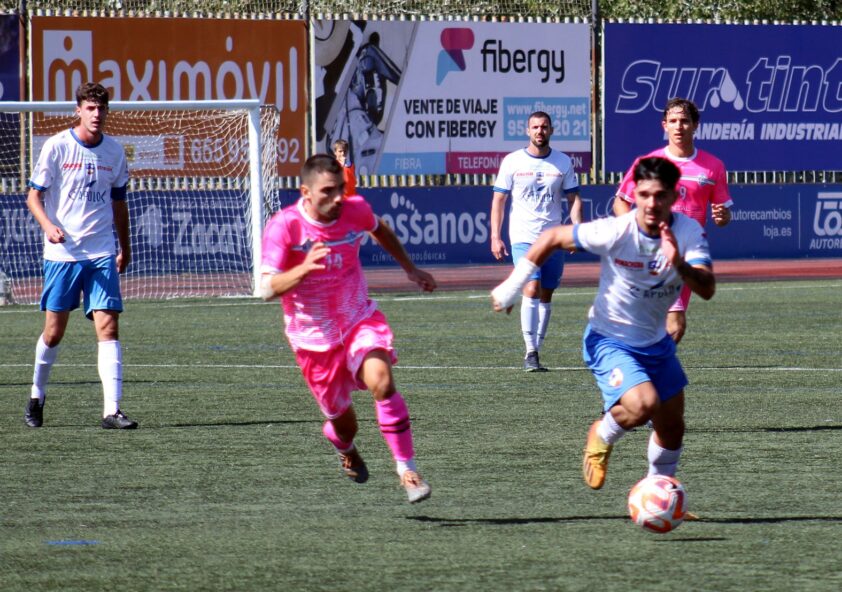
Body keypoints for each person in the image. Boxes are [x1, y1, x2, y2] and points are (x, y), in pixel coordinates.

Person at [492, 157, 715, 496]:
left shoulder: (687, 232)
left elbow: (707, 289)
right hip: (609, 340)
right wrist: (511, 287)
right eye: (643, 195)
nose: (651, 203)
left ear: (674, 196)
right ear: (634, 195)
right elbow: (552, 236)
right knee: (643, 404)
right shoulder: (617, 230)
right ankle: (602, 434)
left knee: (672, 430)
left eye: (660, 195)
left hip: (656, 344)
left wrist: (679, 264)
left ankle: (656, 492)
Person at [259, 154, 437, 504]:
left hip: (358, 319)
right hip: (313, 340)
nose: (338, 197)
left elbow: (379, 229)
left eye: (341, 188)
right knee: (345, 426)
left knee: (382, 381)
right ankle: (346, 447)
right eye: (328, 191)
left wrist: (410, 269)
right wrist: (303, 269)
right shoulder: (286, 226)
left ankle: (407, 470)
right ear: (306, 193)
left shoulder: (354, 209)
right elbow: (265, 288)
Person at [24, 82, 136, 430]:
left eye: (102, 108)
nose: (97, 114)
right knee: (54, 332)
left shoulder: (115, 152)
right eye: (90, 108)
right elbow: (33, 196)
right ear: (78, 110)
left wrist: (124, 246)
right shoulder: (57, 146)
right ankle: (36, 394)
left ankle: (111, 410)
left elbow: (119, 202)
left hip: (101, 250)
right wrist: (48, 227)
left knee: (108, 324)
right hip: (63, 252)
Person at [613, 97, 732, 344]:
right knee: (674, 324)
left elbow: (723, 216)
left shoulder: (713, 167)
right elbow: (621, 201)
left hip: (688, 256)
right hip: (655, 253)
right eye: (673, 121)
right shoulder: (649, 163)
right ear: (664, 125)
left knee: (668, 327)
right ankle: (645, 372)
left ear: (695, 125)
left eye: (685, 121)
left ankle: (642, 368)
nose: (679, 126)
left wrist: (722, 216)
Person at [490, 110, 583, 372]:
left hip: (553, 239)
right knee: (531, 287)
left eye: (544, 127)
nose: (539, 131)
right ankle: (530, 352)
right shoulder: (512, 162)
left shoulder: (563, 162)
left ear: (551, 130)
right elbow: (499, 199)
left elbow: (573, 198)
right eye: (534, 127)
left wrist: (576, 231)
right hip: (523, 237)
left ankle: (537, 349)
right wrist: (496, 236)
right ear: (527, 131)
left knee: (546, 293)